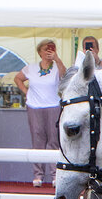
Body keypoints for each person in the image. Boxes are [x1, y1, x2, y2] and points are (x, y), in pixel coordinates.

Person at [15, 39, 66, 187]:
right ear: (40, 52)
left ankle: (55, 174)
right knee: (38, 140)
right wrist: (26, 91)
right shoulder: (31, 68)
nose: (49, 51)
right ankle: (38, 175)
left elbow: (64, 76)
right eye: (46, 49)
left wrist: (57, 59)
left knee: (54, 140)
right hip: (35, 106)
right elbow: (18, 78)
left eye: (52, 49)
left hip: (53, 105)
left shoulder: (57, 66)